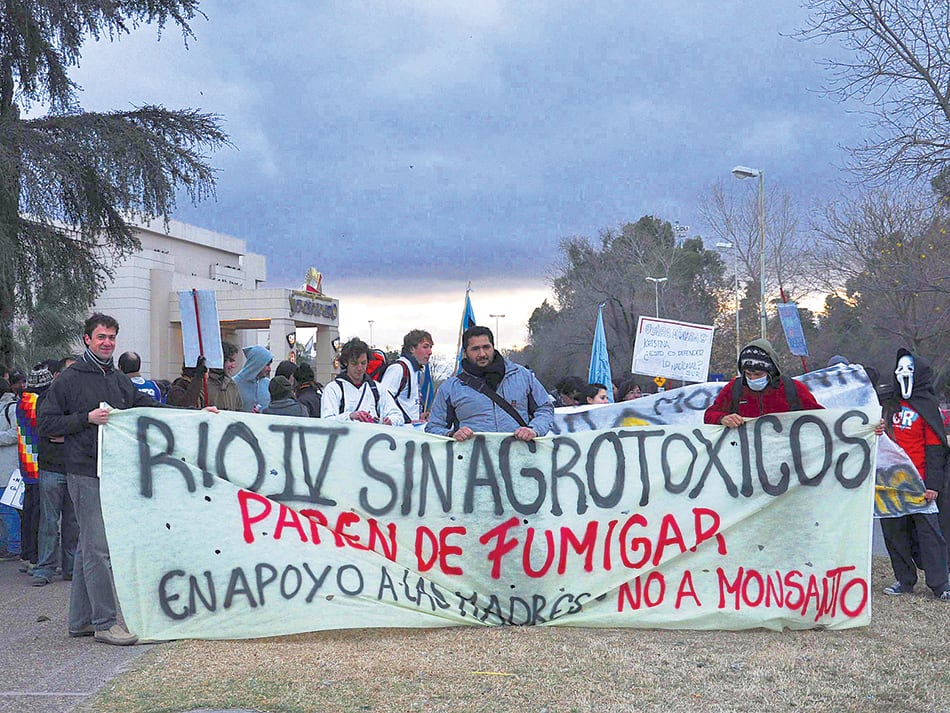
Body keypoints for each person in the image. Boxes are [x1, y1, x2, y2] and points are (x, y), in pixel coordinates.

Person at [38, 313, 218, 646]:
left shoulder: (119, 379)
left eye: (111, 338)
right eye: (101, 337)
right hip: (84, 471)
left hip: (113, 472)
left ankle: (80, 621)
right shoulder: (69, 379)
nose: (107, 343)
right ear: (87, 340)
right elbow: (46, 424)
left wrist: (194, 416)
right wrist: (86, 419)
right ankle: (105, 623)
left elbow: (149, 409)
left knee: (89, 548)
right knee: (99, 549)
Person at [879, 349, 950, 600]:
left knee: (930, 534)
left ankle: (940, 584)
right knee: (894, 533)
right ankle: (904, 579)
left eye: (908, 370)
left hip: (920, 482)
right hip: (890, 482)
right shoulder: (888, 404)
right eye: (899, 369)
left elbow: (935, 447)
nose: (902, 374)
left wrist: (933, 483)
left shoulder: (927, 407)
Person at [426, 326, 553, 441]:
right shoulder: (450, 388)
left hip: (521, 460)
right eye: (475, 349)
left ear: (493, 347)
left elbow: (545, 408)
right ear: (464, 352)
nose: (482, 354)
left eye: (486, 347)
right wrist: (451, 434)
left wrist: (534, 429)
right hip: (472, 463)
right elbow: (433, 427)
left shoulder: (522, 376)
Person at [29, 360, 79, 587]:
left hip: (76, 467)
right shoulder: (46, 398)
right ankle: (45, 568)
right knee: (49, 522)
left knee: (73, 522)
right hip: (51, 467)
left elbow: (88, 428)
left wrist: (67, 432)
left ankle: (70, 568)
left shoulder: (82, 397)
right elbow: (47, 428)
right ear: (57, 374)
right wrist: (74, 429)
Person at [704, 339, 822, 428]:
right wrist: (722, 418)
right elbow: (709, 415)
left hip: (787, 453)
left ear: (771, 371)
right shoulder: (734, 388)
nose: (753, 378)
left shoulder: (792, 388)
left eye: (758, 374)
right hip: (745, 454)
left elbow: (822, 417)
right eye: (748, 374)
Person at [321, 338, 403, 425]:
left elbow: (398, 415)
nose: (360, 368)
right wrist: (350, 416)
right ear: (345, 363)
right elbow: (327, 421)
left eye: (363, 363)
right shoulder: (333, 389)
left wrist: (390, 420)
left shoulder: (376, 388)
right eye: (354, 363)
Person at [381, 329, 433, 424]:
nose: (430, 352)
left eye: (430, 347)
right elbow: (383, 402)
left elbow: (406, 404)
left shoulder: (415, 371)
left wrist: (418, 416)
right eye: (425, 347)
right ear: (412, 349)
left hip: (410, 432)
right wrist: (407, 421)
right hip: (399, 433)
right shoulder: (398, 369)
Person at [0, 378, 21, 561]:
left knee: (7, 507)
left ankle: (14, 546)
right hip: (3, 466)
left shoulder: (11, 408)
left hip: (9, 466)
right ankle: (6, 545)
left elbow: (17, 432)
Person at [234, 345, 273, 412]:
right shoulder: (234, 384)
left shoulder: (269, 384)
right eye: (267, 365)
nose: (270, 369)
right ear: (257, 364)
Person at [206, 341, 243, 411]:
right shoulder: (204, 384)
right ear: (221, 359)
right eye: (231, 361)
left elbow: (239, 410)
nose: (233, 366)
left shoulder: (232, 384)